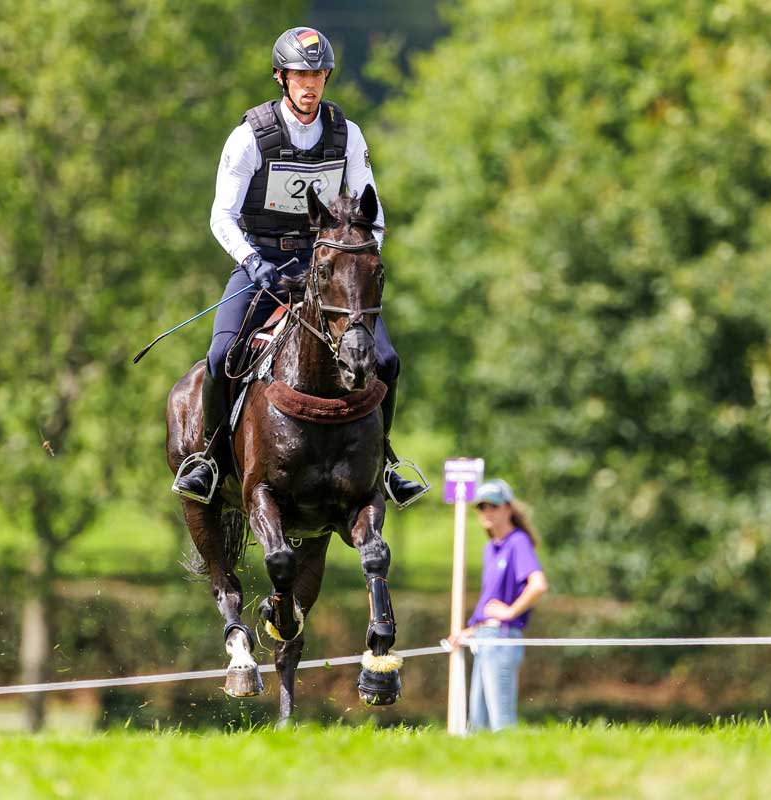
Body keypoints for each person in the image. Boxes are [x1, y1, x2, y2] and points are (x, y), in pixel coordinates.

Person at [172, 26, 428, 508]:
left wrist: (355, 259)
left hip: (326, 266)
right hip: (262, 262)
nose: (310, 85)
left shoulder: (347, 134)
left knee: (387, 360)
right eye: (300, 76)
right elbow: (221, 216)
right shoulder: (250, 137)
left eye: (318, 75)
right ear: (281, 77)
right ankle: (210, 459)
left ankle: (386, 463)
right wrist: (252, 261)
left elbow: (372, 215)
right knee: (221, 355)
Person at [446, 478, 548, 731]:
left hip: (502, 638)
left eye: (494, 505)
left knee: (501, 723)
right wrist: (472, 629)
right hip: (485, 637)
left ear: (508, 508)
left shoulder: (518, 541)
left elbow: (538, 585)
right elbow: (489, 602)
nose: (487, 511)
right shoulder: (490, 548)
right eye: (482, 506)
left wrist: (510, 612)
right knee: (478, 725)